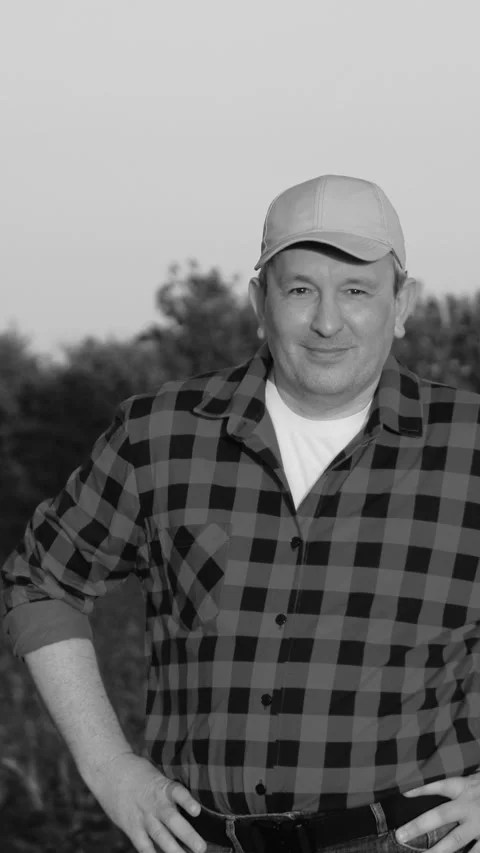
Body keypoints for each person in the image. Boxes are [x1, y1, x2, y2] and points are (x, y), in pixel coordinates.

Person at [2, 173, 480, 853]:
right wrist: (108, 766)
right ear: (259, 300)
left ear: (402, 303)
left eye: (356, 291)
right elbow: (41, 582)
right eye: (299, 288)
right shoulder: (161, 433)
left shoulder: (469, 445)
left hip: (413, 840)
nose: (326, 320)